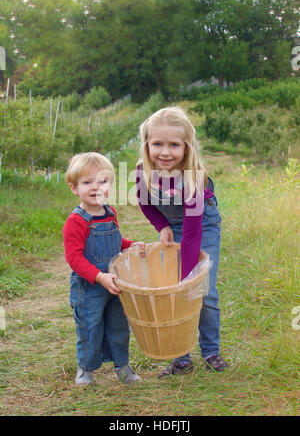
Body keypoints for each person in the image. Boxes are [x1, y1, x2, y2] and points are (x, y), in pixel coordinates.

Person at [136, 106, 228, 377]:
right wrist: (161, 225)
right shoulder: (144, 171)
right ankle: (181, 358)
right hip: (173, 225)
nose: (165, 152)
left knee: (203, 290)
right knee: (173, 294)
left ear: (186, 147)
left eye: (174, 145)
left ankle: (211, 350)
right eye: (157, 144)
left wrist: (188, 277)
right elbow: (145, 204)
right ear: (147, 144)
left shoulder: (194, 177)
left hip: (202, 226)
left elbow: (192, 232)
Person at [63, 152, 144, 386]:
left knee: (119, 325)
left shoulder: (110, 213)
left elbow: (115, 242)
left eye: (102, 181)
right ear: (74, 188)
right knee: (90, 327)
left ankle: (123, 366)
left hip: (115, 284)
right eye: (87, 182)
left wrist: (131, 245)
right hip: (89, 288)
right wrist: (99, 277)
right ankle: (86, 370)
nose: (95, 187)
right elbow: (74, 258)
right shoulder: (76, 221)